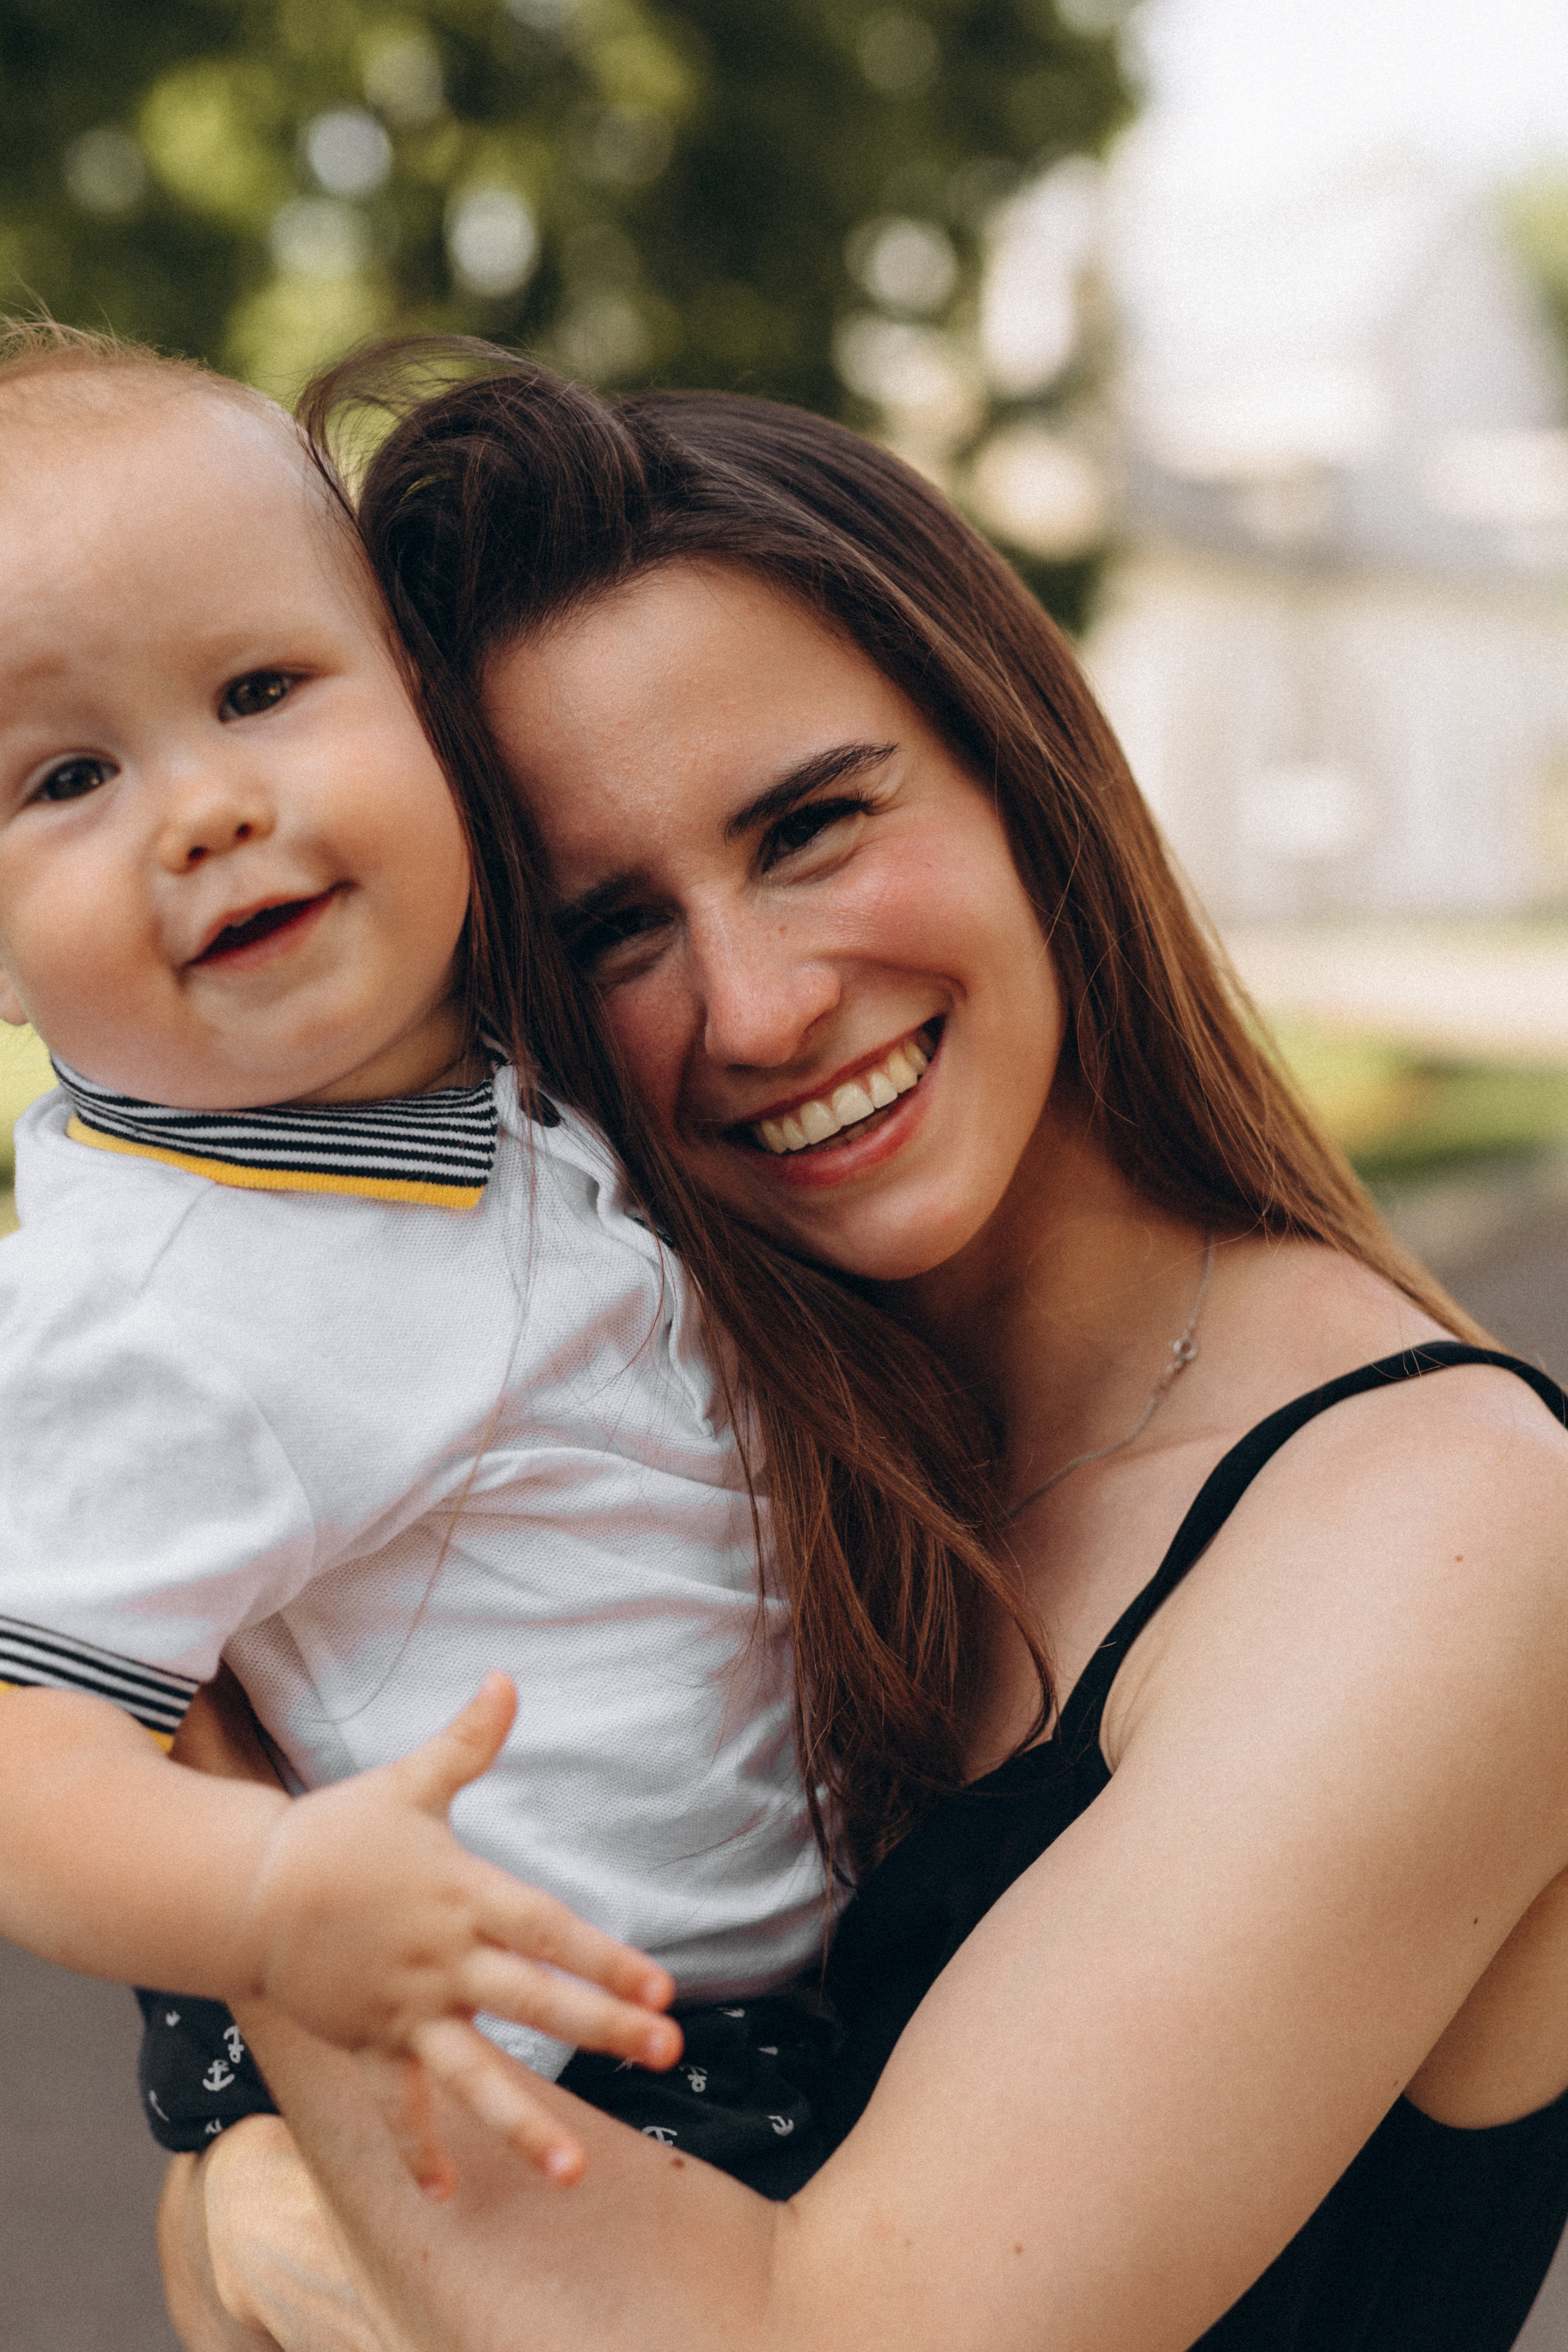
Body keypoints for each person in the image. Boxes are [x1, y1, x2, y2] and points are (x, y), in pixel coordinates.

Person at [162, 349, 1568, 2352]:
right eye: (610, 932)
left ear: (1026, 774)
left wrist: (237, 1829)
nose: (755, 1006)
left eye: (811, 823)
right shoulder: (699, 1462)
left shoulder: (1444, 1529)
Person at [0, 326, 1014, 2208]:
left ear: (420, 704)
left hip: (791, 1984)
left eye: (259, 685)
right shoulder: (146, 1308)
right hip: (579, 2074)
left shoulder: (500, 1067)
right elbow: (22, 1749)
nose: (201, 805)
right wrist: (270, 1895)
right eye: (64, 777)